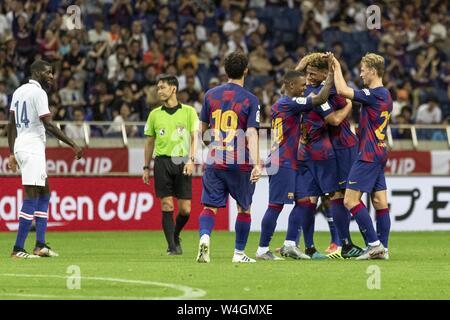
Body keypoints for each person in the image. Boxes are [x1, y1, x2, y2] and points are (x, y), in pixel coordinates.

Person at [255, 67, 335, 261]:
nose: (304, 88)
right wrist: (330, 76)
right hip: (281, 160)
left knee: (304, 202)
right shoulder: (288, 103)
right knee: (275, 206)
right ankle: (262, 249)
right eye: (302, 86)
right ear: (290, 86)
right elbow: (319, 99)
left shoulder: (282, 103)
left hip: (290, 160)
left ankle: (290, 244)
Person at [7, 59, 83, 259]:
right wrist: (73, 144)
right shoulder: (39, 93)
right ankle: (18, 248)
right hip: (32, 149)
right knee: (31, 196)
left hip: (24, 147)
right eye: (48, 72)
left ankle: (40, 244)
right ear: (37, 72)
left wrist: (11, 152)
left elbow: (11, 125)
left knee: (44, 193)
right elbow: (48, 125)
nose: (51, 76)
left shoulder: (18, 92)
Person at [296, 53, 365, 259]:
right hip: (324, 151)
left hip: (305, 150)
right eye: (307, 73)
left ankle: (309, 247)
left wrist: (306, 61)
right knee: (336, 196)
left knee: (310, 199)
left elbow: (292, 77)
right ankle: (345, 244)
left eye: (312, 73)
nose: (308, 77)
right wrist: (349, 105)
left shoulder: (300, 90)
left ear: (325, 73)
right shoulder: (320, 94)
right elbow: (334, 120)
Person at [196, 51, 261, 263]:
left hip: (215, 160)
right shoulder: (251, 99)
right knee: (244, 208)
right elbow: (251, 132)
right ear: (246, 71)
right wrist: (257, 162)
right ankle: (239, 253)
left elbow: (202, 130)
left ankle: (205, 238)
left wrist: (213, 146)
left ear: (225, 71)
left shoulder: (210, 95)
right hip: (240, 162)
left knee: (209, 207)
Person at [332, 53, 393, 260]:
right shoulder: (386, 94)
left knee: (349, 200)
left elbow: (341, 90)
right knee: (379, 201)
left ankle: (374, 244)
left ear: (373, 71)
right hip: (380, 150)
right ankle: (382, 248)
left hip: (368, 153)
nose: (361, 74)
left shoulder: (374, 94)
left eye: (363, 69)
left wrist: (336, 67)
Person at [142, 75, 198, 255]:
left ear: (173, 89)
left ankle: (175, 235)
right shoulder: (154, 115)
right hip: (162, 162)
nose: (159, 91)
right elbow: (149, 142)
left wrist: (191, 159)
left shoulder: (189, 112)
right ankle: (172, 248)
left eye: (162, 87)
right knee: (167, 205)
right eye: (158, 88)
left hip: (182, 161)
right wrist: (145, 167)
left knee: (185, 210)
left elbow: (195, 137)